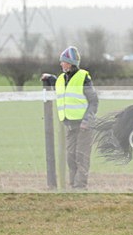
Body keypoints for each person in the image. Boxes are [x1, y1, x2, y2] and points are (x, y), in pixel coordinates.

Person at [40, 46, 99, 189]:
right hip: (70, 125)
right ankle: (73, 186)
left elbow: (94, 101)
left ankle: (80, 187)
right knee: (71, 157)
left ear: (70, 63)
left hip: (84, 125)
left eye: (63, 61)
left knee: (81, 157)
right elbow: (63, 88)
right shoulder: (61, 79)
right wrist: (50, 78)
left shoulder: (83, 78)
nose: (61, 63)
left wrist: (86, 120)